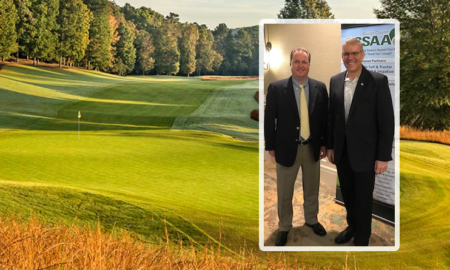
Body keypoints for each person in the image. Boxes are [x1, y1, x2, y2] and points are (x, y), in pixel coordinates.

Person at [327, 38, 394, 246]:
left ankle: (362, 238)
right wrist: (330, 145)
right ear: (342, 56)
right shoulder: (335, 80)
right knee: (347, 195)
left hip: (366, 154)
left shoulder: (378, 81)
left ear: (362, 55)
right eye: (346, 54)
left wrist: (383, 156)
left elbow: (386, 122)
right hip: (342, 152)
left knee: (363, 199)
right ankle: (352, 226)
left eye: (355, 53)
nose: (350, 57)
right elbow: (333, 117)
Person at [265, 47, 328, 246]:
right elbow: (269, 120)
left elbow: (324, 119)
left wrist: (325, 143)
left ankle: (311, 219)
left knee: (312, 188)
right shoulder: (276, 88)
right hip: (285, 148)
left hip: (312, 147)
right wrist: (270, 145)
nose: (301, 65)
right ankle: (284, 226)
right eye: (297, 61)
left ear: (309, 64)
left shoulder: (320, 87)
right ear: (290, 64)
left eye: (304, 62)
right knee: (284, 191)